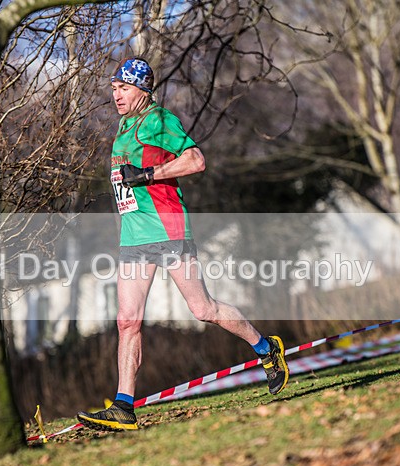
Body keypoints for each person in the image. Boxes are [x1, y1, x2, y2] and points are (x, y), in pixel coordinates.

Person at [76, 58, 287, 431]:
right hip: (134, 237)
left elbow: (195, 160)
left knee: (203, 308)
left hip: (168, 228)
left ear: (143, 90)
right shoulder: (125, 127)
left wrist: (148, 175)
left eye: (123, 88)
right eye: (114, 88)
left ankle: (266, 348)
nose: (116, 95)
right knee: (127, 321)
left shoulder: (159, 120)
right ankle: (124, 405)